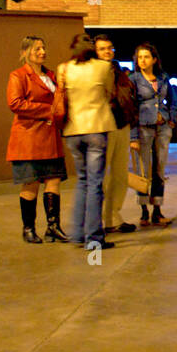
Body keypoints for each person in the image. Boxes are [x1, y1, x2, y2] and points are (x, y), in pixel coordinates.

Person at [5, 36, 69, 244]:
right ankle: (29, 228)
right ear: (25, 52)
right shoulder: (18, 76)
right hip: (29, 139)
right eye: (37, 49)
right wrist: (48, 111)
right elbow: (15, 103)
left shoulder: (51, 75)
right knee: (30, 184)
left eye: (44, 47)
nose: (42, 52)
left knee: (53, 181)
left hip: (51, 138)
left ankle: (53, 226)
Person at [60, 33, 116, 250]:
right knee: (95, 184)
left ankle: (77, 233)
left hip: (73, 130)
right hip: (96, 128)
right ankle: (94, 238)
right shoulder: (102, 67)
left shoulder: (64, 69)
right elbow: (109, 93)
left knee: (82, 181)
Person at [129, 43, 177, 226]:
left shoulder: (163, 77)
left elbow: (173, 100)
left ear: (154, 59)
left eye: (146, 57)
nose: (142, 60)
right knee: (143, 171)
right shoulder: (133, 79)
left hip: (163, 127)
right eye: (139, 57)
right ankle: (143, 211)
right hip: (143, 128)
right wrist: (133, 137)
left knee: (159, 170)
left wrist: (171, 119)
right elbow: (131, 108)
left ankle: (157, 210)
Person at [95, 35, 137, 234]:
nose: (108, 51)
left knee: (120, 174)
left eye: (110, 48)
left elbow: (128, 97)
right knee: (102, 176)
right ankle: (100, 220)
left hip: (122, 125)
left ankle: (113, 216)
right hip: (102, 127)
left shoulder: (120, 72)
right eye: (103, 48)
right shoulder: (91, 72)